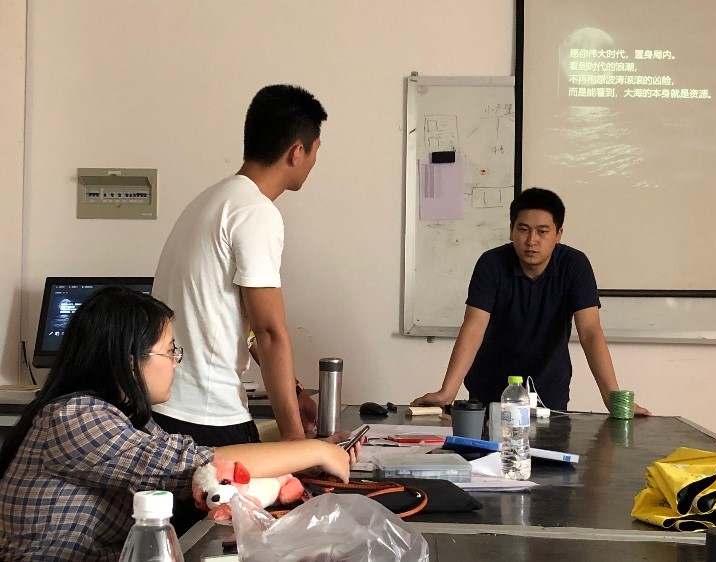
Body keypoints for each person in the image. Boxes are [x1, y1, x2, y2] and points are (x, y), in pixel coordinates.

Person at [0, 287, 355, 561]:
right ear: (129, 360)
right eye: (170, 350)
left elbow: (208, 473)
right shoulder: (75, 416)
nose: (176, 362)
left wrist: (304, 462)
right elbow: (200, 464)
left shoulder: (128, 417)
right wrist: (316, 450)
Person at [151, 84, 327, 446]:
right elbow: (269, 331)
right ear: (297, 152)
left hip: (168, 409)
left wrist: (294, 394)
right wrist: (295, 440)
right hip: (208, 418)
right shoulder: (255, 212)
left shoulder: (211, 201)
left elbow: (240, 326)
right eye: (315, 151)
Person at [412, 187, 649, 415]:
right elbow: (474, 326)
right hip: (490, 390)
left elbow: (590, 332)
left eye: (542, 231)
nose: (531, 240)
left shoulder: (575, 266)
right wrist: (447, 392)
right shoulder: (491, 264)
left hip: (549, 391)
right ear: (511, 230)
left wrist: (612, 398)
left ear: (558, 234)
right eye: (523, 229)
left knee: (550, 443)